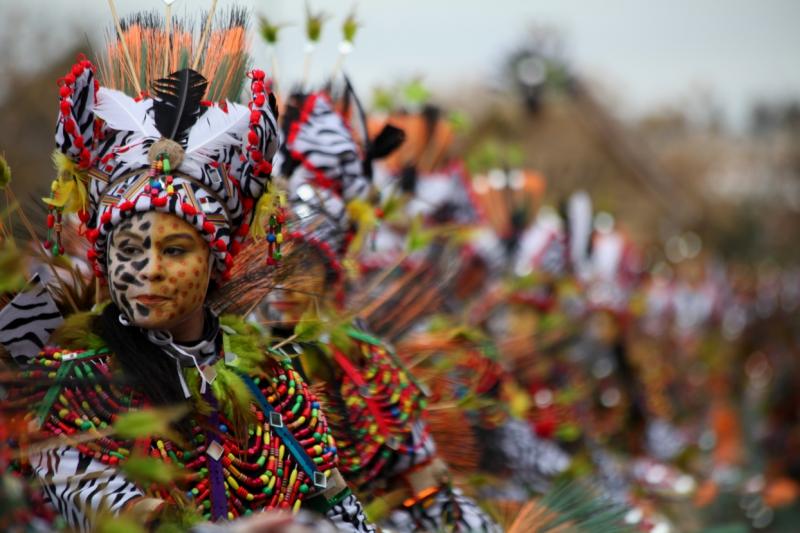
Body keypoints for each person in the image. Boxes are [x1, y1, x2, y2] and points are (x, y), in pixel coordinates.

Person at [6, 10, 374, 532]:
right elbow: (88, 496)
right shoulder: (71, 380)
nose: (148, 269)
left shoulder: (278, 390)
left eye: (176, 250)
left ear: (215, 263)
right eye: (128, 248)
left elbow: (342, 514)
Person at [260, 88, 501, 532]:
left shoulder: (369, 368)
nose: (285, 285)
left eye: (304, 269)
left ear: (334, 277)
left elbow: (425, 480)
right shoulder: (223, 365)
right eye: (274, 268)